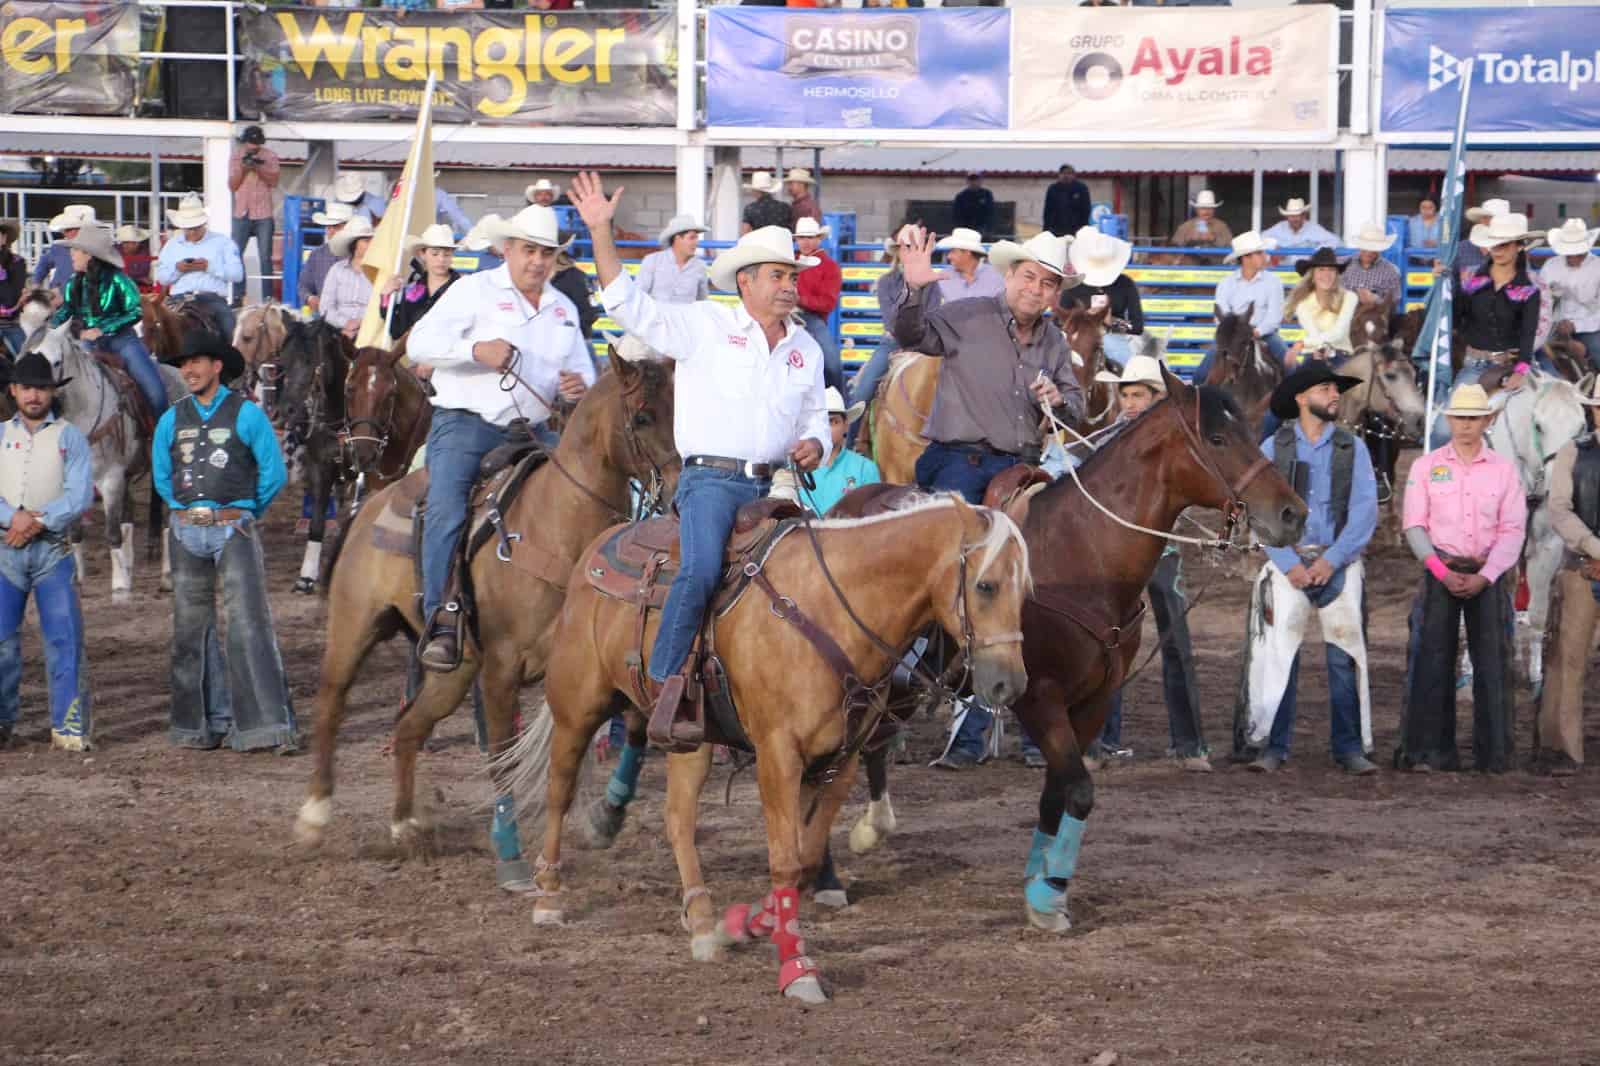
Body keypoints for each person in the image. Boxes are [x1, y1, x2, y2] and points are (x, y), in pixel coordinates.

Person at [573, 170, 828, 749]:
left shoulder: (805, 349)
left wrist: (819, 443)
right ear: (747, 282)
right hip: (710, 482)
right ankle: (667, 681)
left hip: (774, 485)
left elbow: (815, 415)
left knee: (814, 572)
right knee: (702, 566)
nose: (789, 285)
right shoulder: (705, 325)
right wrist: (600, 232)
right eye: (779, 275)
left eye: (792, 276)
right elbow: (627, 305)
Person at [893, 226, 1084, 768]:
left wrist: (1059, 399)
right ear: (1010, 275)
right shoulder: (968, 315)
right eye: (1030, 278)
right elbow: (910, 334)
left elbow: (1076, 406)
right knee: (946, 573)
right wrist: (913, 287)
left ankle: (1008, 712)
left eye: (1048, 284)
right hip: (961, 460)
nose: (1038, 291)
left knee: (1040, 582)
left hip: (1022, 469)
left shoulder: (1054, 342)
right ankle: (907, 672)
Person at [406, 204, 595, 669]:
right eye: (529, 250)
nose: (537, 261)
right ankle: (442, 617)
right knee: (447, 504)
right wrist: (475, 349)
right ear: (506, 249)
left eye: (546, 254)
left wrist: (578, 385)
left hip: (535, 431)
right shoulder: (473, 290)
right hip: (467, 423)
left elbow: (584, 371)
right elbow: (418, 344)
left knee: (591, 496)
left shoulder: (563, 309)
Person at [1233, 363, 1380, 775]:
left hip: (1338, 559)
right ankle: (1272, 745)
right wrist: (1289, 563)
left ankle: (1348, 746)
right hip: (1290, 560)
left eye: (1336, 388)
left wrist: (1331, 560)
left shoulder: (1355, 449)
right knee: (1281, 652)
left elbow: (1364, 514)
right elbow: (1258, 513)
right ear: (1301, 398)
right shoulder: (1272, 449)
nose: (1335, 394)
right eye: (1325, 388)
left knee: (1344, 651)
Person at [152, 330, 295, 752]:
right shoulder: (170, 419)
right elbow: (162, 475)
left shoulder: (248, 414)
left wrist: (245, 512)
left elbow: (274, 473)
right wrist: (181, 510)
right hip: (186, 530)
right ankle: (200, 726)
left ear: (217, 367)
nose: (188, 370)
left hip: (232, 528)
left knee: (248, 624)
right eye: (184, 364)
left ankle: (263, 727)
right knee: (189, 629)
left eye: (196, 362)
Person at [1083, 356, 1210, 773]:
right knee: (1108, 645)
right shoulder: (1105, 444)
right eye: (1126, 395)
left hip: (1163, 553)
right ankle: (1100, 740)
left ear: (1157, 399)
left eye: (1140, 395)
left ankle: (1190, 745)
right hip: (1116, 556)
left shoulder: (1178, 444)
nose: (1131, 403)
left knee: (1177, 643)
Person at [1395, 383, 1525, 774]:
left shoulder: (1504, 471)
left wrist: (1486, 575)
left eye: (1473, 418)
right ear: (1449, 420)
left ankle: (1495, 754)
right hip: (1442, 569)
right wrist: (1440, 570)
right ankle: (1428, 751)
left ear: (1486, 421)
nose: (1466, 425)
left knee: (1494, 662)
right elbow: (1414, 525)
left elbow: (1513, 529)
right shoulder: (1424, 466)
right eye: (1459, 418)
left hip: (1487, 570)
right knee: (1431, 659)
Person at [0, 351, 93, 751]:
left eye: (41, 388)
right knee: (1, 641)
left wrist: (31, 521)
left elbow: (80, 495)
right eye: (27, 388)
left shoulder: (70, 436)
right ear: (14, 391)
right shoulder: (1, 433)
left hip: (50, 548)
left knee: (64, 638)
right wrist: (12, 517)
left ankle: (69, 725)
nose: (34, 395)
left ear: (52, 392)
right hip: (8, 549)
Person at [1535, 377, 1600, 775]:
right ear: (1592, 410)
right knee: (1569, 659)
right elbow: (1559, 509)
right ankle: (1562, 747)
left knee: (1570, 658)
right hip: (1582, 566)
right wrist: (1595, 547)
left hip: (1585, 562)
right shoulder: (1572, 453)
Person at [50, 224, 169, 418]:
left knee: (156, 394)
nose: (71, 254)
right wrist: (50, 328)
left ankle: (161, 436)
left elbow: (135, 311)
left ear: (89, 255)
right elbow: (67, 310)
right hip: (87, 343)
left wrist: (103, 329)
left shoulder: (118, 279)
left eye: (76, 249)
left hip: (123, 342)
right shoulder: (74, 282)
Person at [846, 225, 942, 436]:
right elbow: (891, 320)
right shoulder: (886, 282)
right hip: (893, 343)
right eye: (904, 247)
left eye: (913, 247)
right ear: (898, 251)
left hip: (924, 345)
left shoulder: (932, 284)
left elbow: (933, 315)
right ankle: (851, 445)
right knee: (862, 393)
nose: (907, 252)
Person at [1453, 212, 1540, 389]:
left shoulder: (1528, 291)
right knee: (1447, 415)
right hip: (1473, 365)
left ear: (1519, 246)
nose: (1498, 250)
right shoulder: (1470, 283)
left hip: (1511, 367)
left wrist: (1520, 370)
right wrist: (1444, 284)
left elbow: (1528, 333)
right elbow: (1455, 318)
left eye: (1504, 245)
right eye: (1494, 245)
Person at [1193, 231, 1286, 382]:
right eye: (1260, 253)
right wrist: (1234, 333)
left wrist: (1256, 331)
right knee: (1200, 375)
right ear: (1246, 257)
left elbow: (1274, 316)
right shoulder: (1226, 283)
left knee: (1291, 367)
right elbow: (1221, 314)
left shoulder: (1274, 281)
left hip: (1264, 334)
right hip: (1231, 336)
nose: (1264, 257)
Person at [154, 194, 243, 342]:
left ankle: (234, 360)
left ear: (203, 224)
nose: (192, 232)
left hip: (212, 298)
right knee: (156, 333)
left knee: (230, 330)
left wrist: (210, 267)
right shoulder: (172, 245)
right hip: (179, 299)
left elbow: (237, 274)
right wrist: (178, 270)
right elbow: (162, 277)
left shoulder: (223, 242)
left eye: (195, 227)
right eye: (188, 228)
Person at [1061, 226, 1141, 365]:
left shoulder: (1126, 284)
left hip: (1116, 339)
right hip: (1078, 339)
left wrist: (1114, 322)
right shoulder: (1073, 285)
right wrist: (1083, 319)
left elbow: (1138, 326)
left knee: (1124, 359)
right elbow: (1058, 322)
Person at [795, 387, 879, 515]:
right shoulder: (792, 468)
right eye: (820, 422)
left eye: (833, 421)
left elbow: (874, 519)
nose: (826, 430)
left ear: (846, 426)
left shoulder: (865, 468)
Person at [378, 223, 461, 341]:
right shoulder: (410, 291)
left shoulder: (462, 288)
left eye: (447, 254)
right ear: (422, 254)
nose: (441, 259)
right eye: (435, 254)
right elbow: (397, 331)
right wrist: (385, 297)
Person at [1539, 218, 1600, 373]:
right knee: (1536, 354)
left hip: (1591, 327)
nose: (1573, 256)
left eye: (1578, 252)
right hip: (1553, 327)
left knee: (1597, 348)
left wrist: (1576, 325)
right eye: (1569, 252)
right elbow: (1540, 302)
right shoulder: (1551, 266)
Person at [229, 125, 280, 304]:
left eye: (256, 145)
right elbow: (232, 185)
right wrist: (244, 168)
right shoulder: (237, 155)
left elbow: (273, 181)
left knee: (265, 257)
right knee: (236, 254)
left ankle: (267, 298)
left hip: (263, 213)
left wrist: (258, 168)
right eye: (250, 144)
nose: (253, 148)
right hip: (242, 211)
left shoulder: (270, 156)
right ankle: (238, 295)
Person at [794, 216, 844, 391]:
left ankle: (840, 406)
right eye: (801, 238)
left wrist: (799, 299)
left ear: (818, 239)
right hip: (783, 314)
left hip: (811, 318)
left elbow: (827, 303)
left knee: (832, 364)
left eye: (809, 238)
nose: (805, 242)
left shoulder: (830, 267)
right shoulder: (790, 260)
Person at [1285, 247, 1357, 363]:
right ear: (1312, 275)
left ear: (1336, 274)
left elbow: (1339, 332)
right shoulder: (1302, 303)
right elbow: (1314, 334)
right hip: (1313, 354)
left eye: (1331, 270)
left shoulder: (1350, 297)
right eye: (1321, 269)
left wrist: (1302, 343)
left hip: (1341, 354)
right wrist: (1319, 349)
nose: (1326, 274)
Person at [318, 216, 376, 340]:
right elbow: (326, 307)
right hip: (337, 332)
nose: (371, 244)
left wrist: (360, 325)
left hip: (370, 333)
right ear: (354, 244)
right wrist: (345, 324)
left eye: (372, 240)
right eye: (366, 240)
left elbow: (381, 309)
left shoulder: (379, 273)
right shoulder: (337, 270)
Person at [638, 214, 709, 304]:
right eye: (692, 238)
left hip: (687, 316)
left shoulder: (700, 266)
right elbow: (640, 293)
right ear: (677, 239)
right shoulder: (652, 261)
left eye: (696, 238)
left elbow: (702, 300)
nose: (696, 242)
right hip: (658, 316)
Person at [297, 202, 354, 313]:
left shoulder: (358, 255)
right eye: (328, 227)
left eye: (336, 227)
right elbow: (303, 286)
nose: (331, 231)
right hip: (324, 315)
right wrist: (310, 298)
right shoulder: (317, 254)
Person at [1341, 222, 1404, 317]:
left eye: (1373, 248)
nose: (1369, 252)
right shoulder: (1344, 264)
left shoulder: (1391, 271)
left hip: (1376, 318)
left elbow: (1394, 303)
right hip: (1346, 317)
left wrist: (1375, 300)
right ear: (1360, 246)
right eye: (1366, 247)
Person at [33, 204, 97, 294]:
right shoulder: (59, 247)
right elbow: (43, 263)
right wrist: (36, 283)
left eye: (68, 229)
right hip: (58, 300)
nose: (64, 233)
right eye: (64, 229)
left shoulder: (99, 251)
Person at [935, 228, 1004, 303]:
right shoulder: (943, 277)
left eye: (953, 251)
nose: (949, 256)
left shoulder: (996, 277)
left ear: (967, 253)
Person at [1168, 190, 1233, 262]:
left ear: (1214, 210)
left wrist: (1214, 239)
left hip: (1216, 267)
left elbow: (1231, 248)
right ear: (1197, 209)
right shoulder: (1185, 227)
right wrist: (1188, 239)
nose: (1206, 212)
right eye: (1202, 208)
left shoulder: (1222, 227)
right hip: (1191, 268)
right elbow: (1174, 248)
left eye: (1209, 208)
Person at [1262, 198, 1339, 252]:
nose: (1294, 219)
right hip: (1283, 271)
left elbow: (1334, 241)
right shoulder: (1280, 227)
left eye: (1297, 215)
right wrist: (1274, 247)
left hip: (1306, 271)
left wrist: (1317, 253)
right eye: (1291, 216)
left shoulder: (1313, 228)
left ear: (1304, 216)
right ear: (1287, 217)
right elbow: (1261, 239)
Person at [0, 223, 28, 355]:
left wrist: (3, 279)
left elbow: (12, 299)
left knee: (26, 360)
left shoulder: (17, 262)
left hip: (10, 324)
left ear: (3, 238)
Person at [1043, 164, 1091, 238]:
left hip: (1076, 230)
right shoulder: (1053, 189)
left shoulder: (1081, 189)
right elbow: (1047, 211)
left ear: (1073, 175)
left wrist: (1083, 229)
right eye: (1063, 173)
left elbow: (1086, 210)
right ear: (1059, 175)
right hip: (1056, 231)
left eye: (1069, 173)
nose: (1066, 176)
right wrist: (1046, 230)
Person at [950, 173, 995, 237]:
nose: (973, 182)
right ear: (967, 181)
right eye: (971, 180)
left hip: (983, 232)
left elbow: (991, 214)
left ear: (981, 181)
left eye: (976, 180)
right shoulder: (961, 196)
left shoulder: (987, 195)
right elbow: (956, 216)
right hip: (966, 232)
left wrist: (989, 230)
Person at [114, 225, 155, 290]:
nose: (124, 245)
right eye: (123, 242)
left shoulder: (146, 252)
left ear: (137, 244)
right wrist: (138, 279)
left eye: (127, 242)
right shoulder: (115, 251)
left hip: (142, 289)